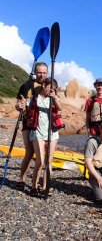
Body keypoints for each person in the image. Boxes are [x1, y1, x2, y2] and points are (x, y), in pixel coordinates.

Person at [15, 62, 48, 191]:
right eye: (39, 72)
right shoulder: (27, 86)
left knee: (43, 156)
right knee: (29, 153)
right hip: (28, 123)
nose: (42, 75)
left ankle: (39, 183)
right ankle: (22, 179)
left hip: (44, 125)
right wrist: (19, 106)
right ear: (35, 72)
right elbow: (18, 104)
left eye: (44, 72)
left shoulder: (49, 86)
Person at [28, 78, 62, 197]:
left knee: (49, 161)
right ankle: (34, 186)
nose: (51, 90)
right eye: (49, 87)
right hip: (38, 133)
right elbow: (24, 109)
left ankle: (46, 186)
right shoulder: (35, 98)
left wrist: (55, 97)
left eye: (54, 88)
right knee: (40, 161)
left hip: (52, 133)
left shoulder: (54, 98)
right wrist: (19, 107)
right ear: (43, 85)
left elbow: (59, 108)